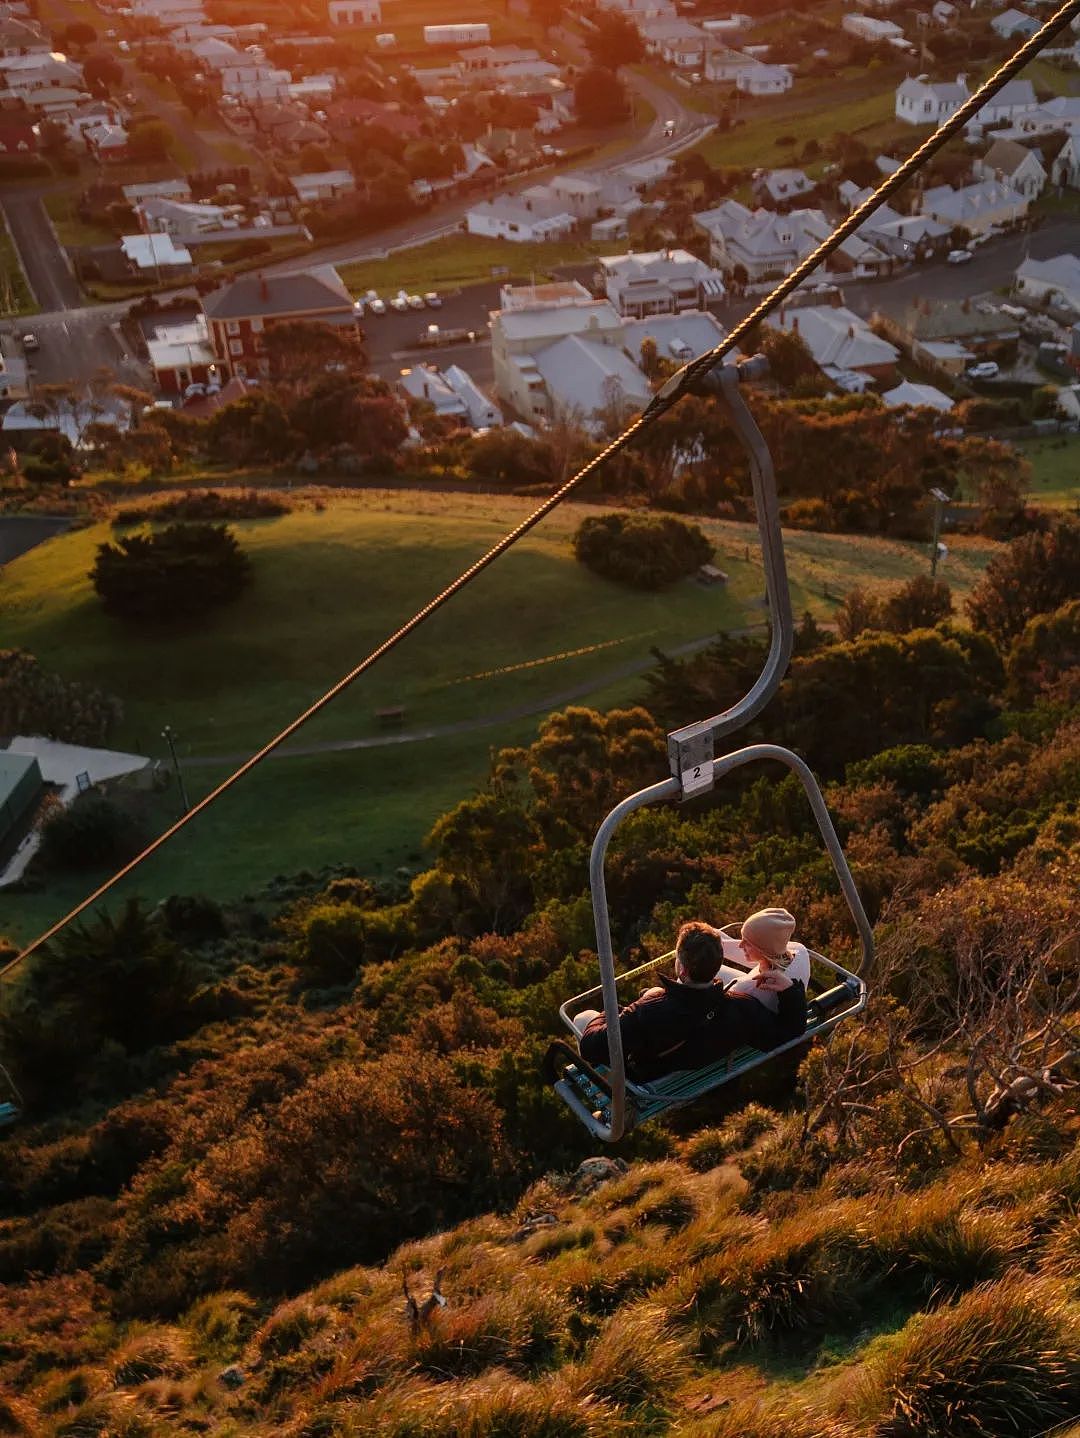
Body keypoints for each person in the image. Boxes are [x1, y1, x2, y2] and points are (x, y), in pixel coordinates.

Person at [573, 920, 807, 1083]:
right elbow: (788, 1033)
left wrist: (612, 1011)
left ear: (682, 970)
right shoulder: (742, 1007)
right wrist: (789, 991)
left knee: (582, 1017)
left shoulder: (647, 1012)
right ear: (717, 966)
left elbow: (590, 1047)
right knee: (652, 991)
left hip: (648, 1075)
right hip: (699, 1057)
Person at [723, 907, 812, 1015]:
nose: (740, 945)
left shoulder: (747, 989)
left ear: (763, 950)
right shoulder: (800, 953)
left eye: (747, 942)